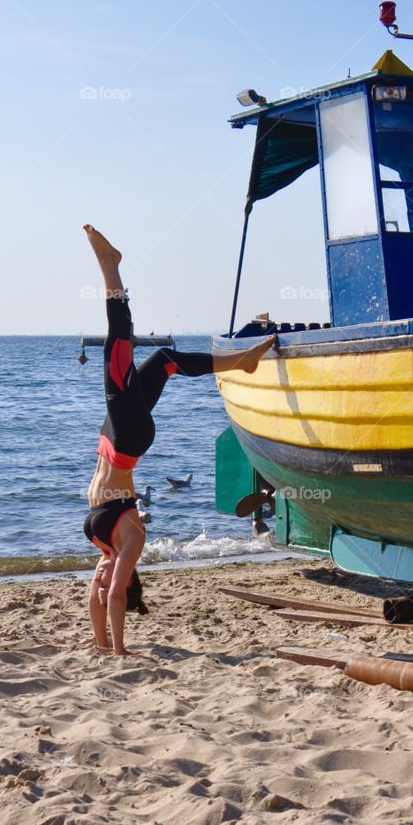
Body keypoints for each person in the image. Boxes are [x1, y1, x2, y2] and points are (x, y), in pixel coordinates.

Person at [83, 224, 275, 655]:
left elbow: (98, 598)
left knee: (164, 360)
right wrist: (120, 649)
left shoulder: (104, 546)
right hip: (126, 438)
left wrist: (101, 644)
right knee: (117, 349)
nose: (100, 581)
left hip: (115, 435)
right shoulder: (131, 543)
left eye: (101, 580)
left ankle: (241, 362)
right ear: (126, 577)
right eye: (109, 581)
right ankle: (111, 267)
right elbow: (114, 597)